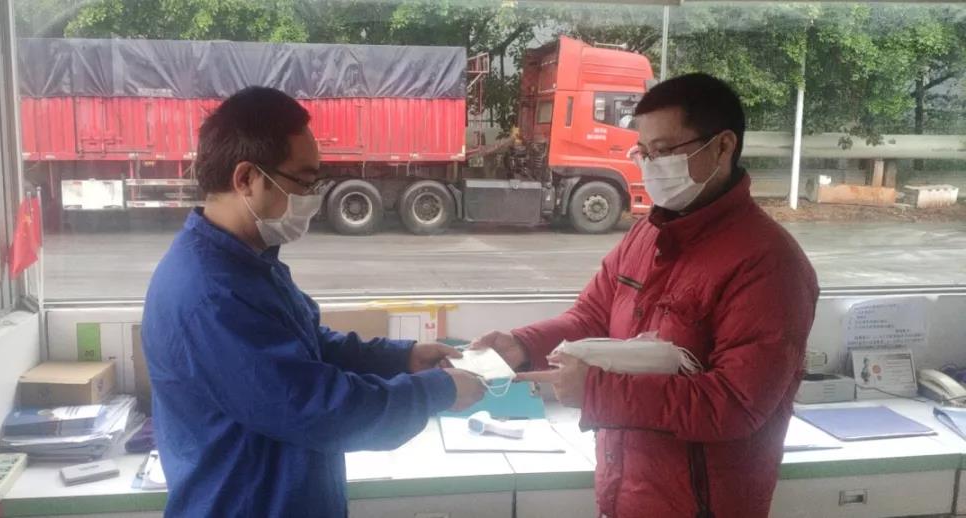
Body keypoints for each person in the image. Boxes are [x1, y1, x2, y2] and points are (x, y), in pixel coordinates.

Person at [473, 73, 819, 518]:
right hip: (625, 491)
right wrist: (522, 345)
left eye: (664, 151)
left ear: (722, 147)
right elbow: (592, 317)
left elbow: (734, 404)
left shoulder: (768, 264)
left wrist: (597, 391)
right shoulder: (647, 234)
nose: (651, 165)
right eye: (644, 152)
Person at [142, 86, 485, 517]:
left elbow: (306, 347)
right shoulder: (211, 294)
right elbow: (317, 409)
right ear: (246, 179)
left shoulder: (247, 263)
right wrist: (437, 392)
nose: (312, 197)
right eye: (303, 181)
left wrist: (402, 357)